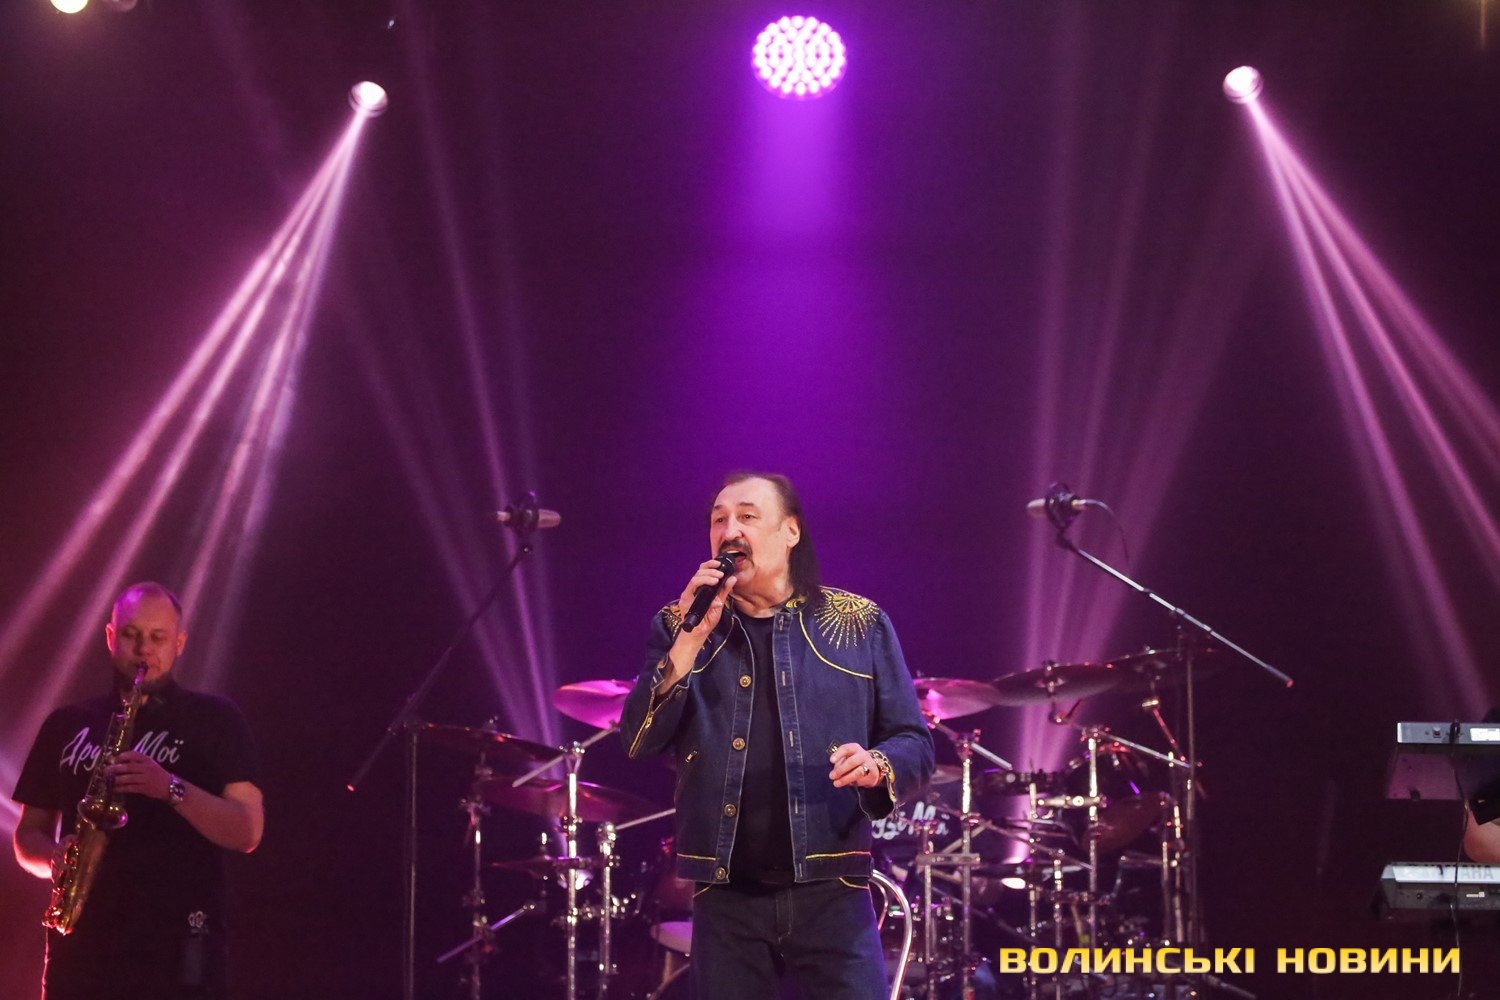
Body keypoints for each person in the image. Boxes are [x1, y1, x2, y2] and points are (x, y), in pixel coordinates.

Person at [621, 472, 934, 999]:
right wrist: (689, 640)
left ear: (791, 532)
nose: (729, 531)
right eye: (719, 520)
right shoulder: (679, 626)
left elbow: (914, 742)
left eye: (747, 516)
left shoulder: (859, 623)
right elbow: (637, 742)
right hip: (726, 894)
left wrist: (878, 765)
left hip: (833, 889)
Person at [11, 582, 264, 1000]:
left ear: (179, 643)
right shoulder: (66, 723)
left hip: (178, 943)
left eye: (158, 637)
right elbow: (28, 835)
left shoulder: (216, 719)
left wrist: (169, 787)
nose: (144, 649)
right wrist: (53, 857)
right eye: (131, 635)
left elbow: (248, 831)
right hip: (82, 946)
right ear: (111, 637)